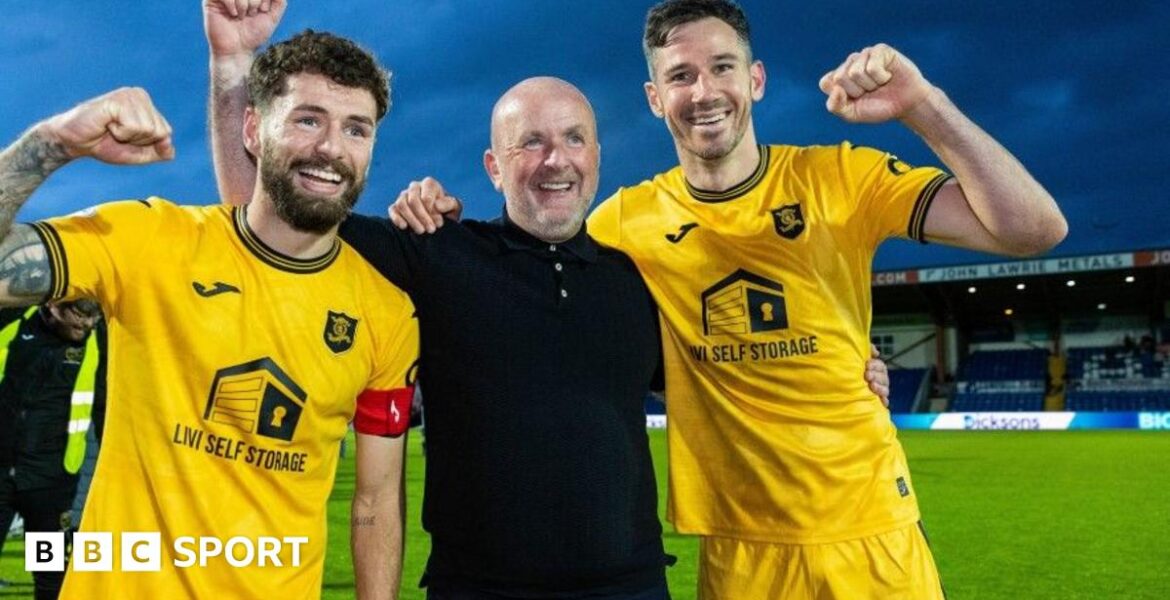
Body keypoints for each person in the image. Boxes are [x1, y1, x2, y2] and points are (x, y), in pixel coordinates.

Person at [206, 5, 893, 599]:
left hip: (631, 587)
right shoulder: (438, 256)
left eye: (572, 139)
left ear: (596, 156)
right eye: (529, 142)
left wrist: (845, 362)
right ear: (493, 167)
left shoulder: (638, 279)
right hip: (478, 588)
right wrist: (233, 63)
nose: (554, 160)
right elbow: (270, 212)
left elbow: (733, 358)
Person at [390, 1, 1068, 598]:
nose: (704, 91)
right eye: (680, 76)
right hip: (740, 551)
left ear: (756, 80)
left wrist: (922, 104)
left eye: (722, 68)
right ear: (655, 98)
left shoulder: (841, 178)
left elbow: (1034, 229)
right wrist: (436, 217)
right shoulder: (623, 223)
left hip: (871, 530)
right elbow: (537, 270)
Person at [0, 20, 418, 600]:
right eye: (307, 119)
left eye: (356, 128)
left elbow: (374, 501)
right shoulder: (151, 240)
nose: (331, 148)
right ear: (253, 129)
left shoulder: (386, 313)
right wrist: (54, 142)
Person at [0, 300, 101, 600]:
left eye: (94, 316)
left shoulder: (99, 344)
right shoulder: (15, 323)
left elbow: (105, 410)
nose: (87, 324)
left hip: (51, 488)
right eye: (80, 315)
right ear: (56, 307)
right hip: (1, 474)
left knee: (49, 575)